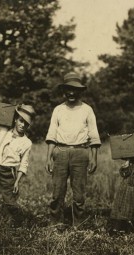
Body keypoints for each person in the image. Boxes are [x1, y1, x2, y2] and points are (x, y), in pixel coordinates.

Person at [45, 72, 101, 225]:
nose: (71, 93)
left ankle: (79, 226)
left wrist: (93, 158)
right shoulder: (58, 110)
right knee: (57, 192)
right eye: (68, 89)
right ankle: (55, 224)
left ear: (80, 91)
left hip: (80, 153)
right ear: (64, 91)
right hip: (60, 152)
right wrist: (49, 158)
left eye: (74, 89)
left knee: (79, 194)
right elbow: (52, 135)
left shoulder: (87, 110)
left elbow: (93, 135)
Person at [0, 98, 35, 224]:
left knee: (10, 201)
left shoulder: (26, 142)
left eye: (26, 124)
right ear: (16, 120)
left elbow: (24, 164)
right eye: (21, 121)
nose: (23, 125)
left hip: (8, 172)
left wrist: (17, 181)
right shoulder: (4, 131)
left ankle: (18, 224)